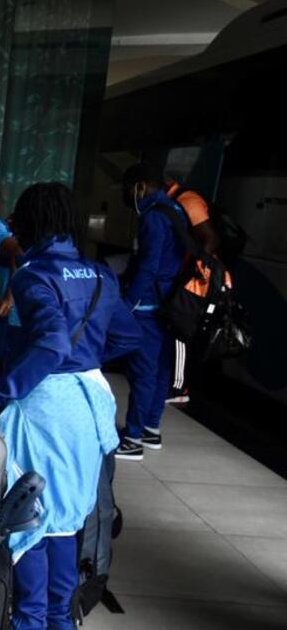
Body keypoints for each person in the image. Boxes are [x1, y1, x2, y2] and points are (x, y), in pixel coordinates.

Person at [0, 182, 140, 630]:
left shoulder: (34, 275)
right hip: (90, 402)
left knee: (29, 523)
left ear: (31, 222)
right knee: (65, 523)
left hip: (42, 408)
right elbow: (128, 336)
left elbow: (50, 343)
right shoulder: (101, 274)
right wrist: (86, 358)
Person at [117, 164, 188, 461]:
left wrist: (128, 303)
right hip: (170, 302)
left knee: (143, 372)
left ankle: (132, 439)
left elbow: (148, 265)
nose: (126, 194)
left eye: (127, 188)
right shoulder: (174, 209)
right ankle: (150, 428)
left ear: (141, 186)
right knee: (160, 369)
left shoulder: (153, 217)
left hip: (149, 303)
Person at [163, 180, 216, 404]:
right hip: (190, 276)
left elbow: (210, 238)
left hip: (196, 280)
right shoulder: (178, 200)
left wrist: (194, 271)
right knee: (178, 329)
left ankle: (179, 388)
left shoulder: (188, 201)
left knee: (181, 330)